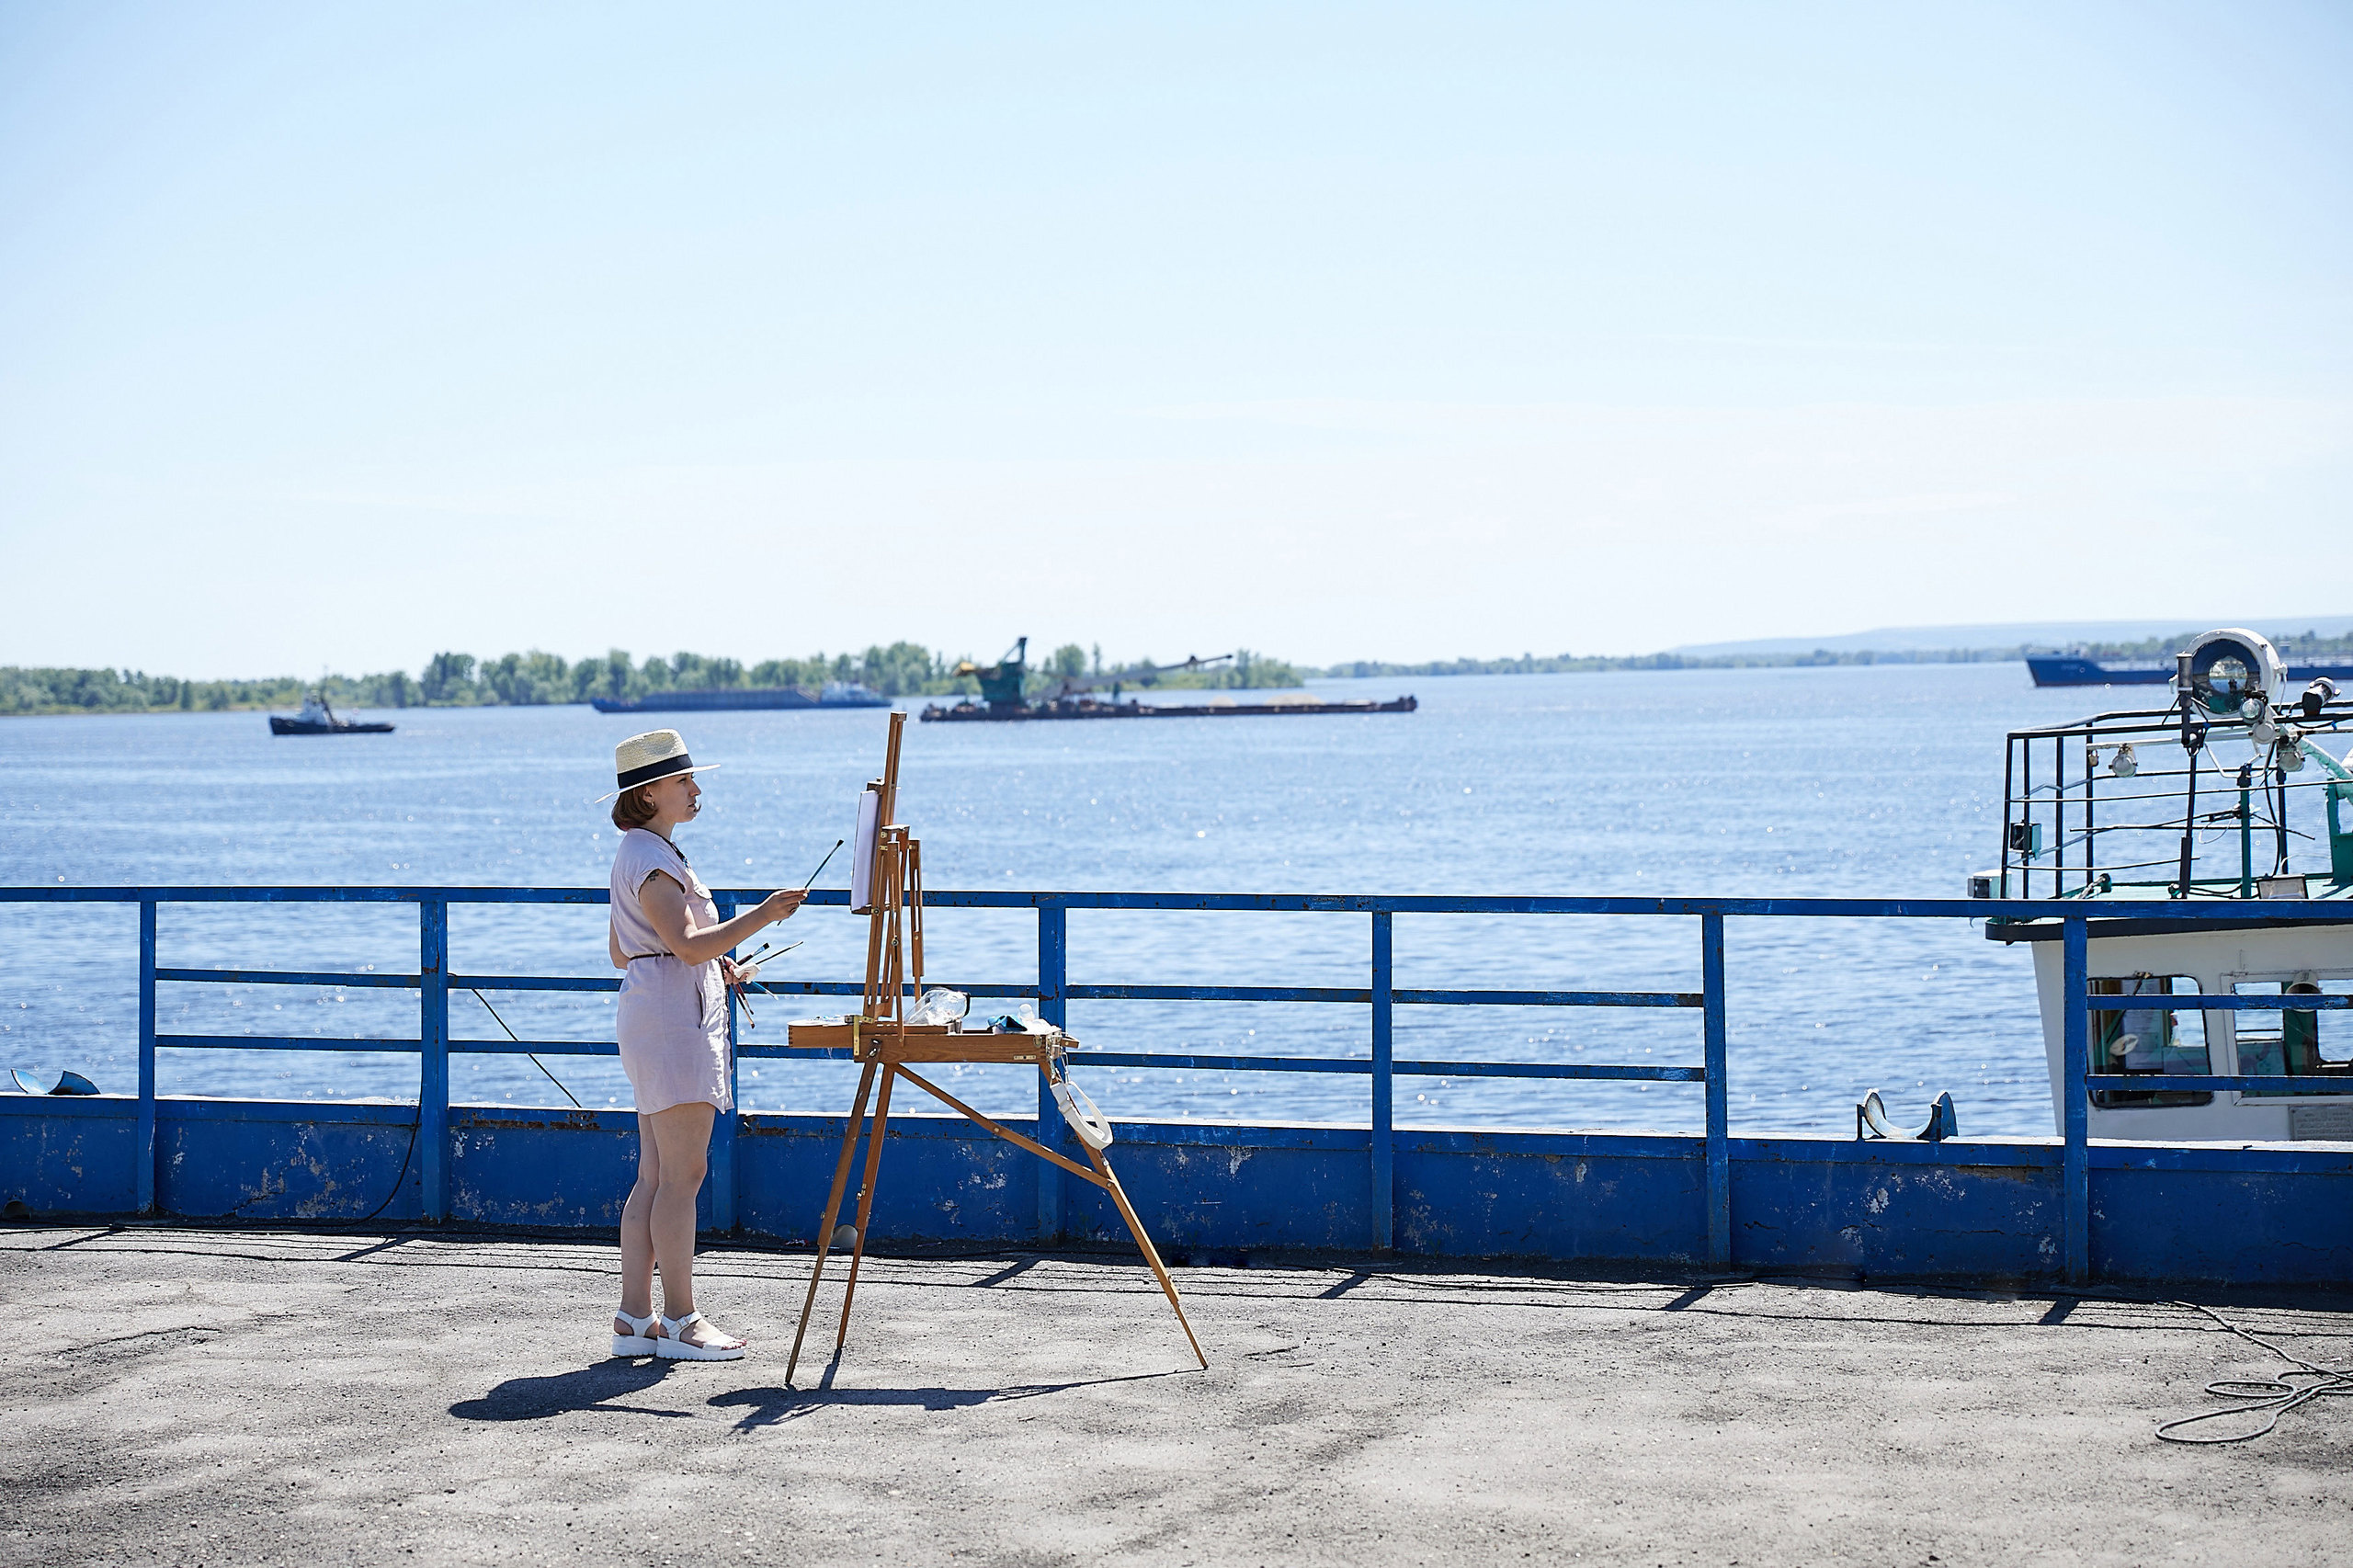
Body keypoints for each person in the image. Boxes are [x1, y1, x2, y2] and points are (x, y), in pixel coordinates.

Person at [600, 729, 802, 1360]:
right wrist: (764, 915)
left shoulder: (640, 852)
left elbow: (621, 950)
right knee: (683, 1175)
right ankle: (683, 1321)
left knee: (656, 1175)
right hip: (670, 1019)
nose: (695, 789)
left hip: (652, 1006)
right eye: (684, 781)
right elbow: (687, 946)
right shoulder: (654, 858)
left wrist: (711, 964)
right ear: (649, 792)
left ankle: (636, 1321)